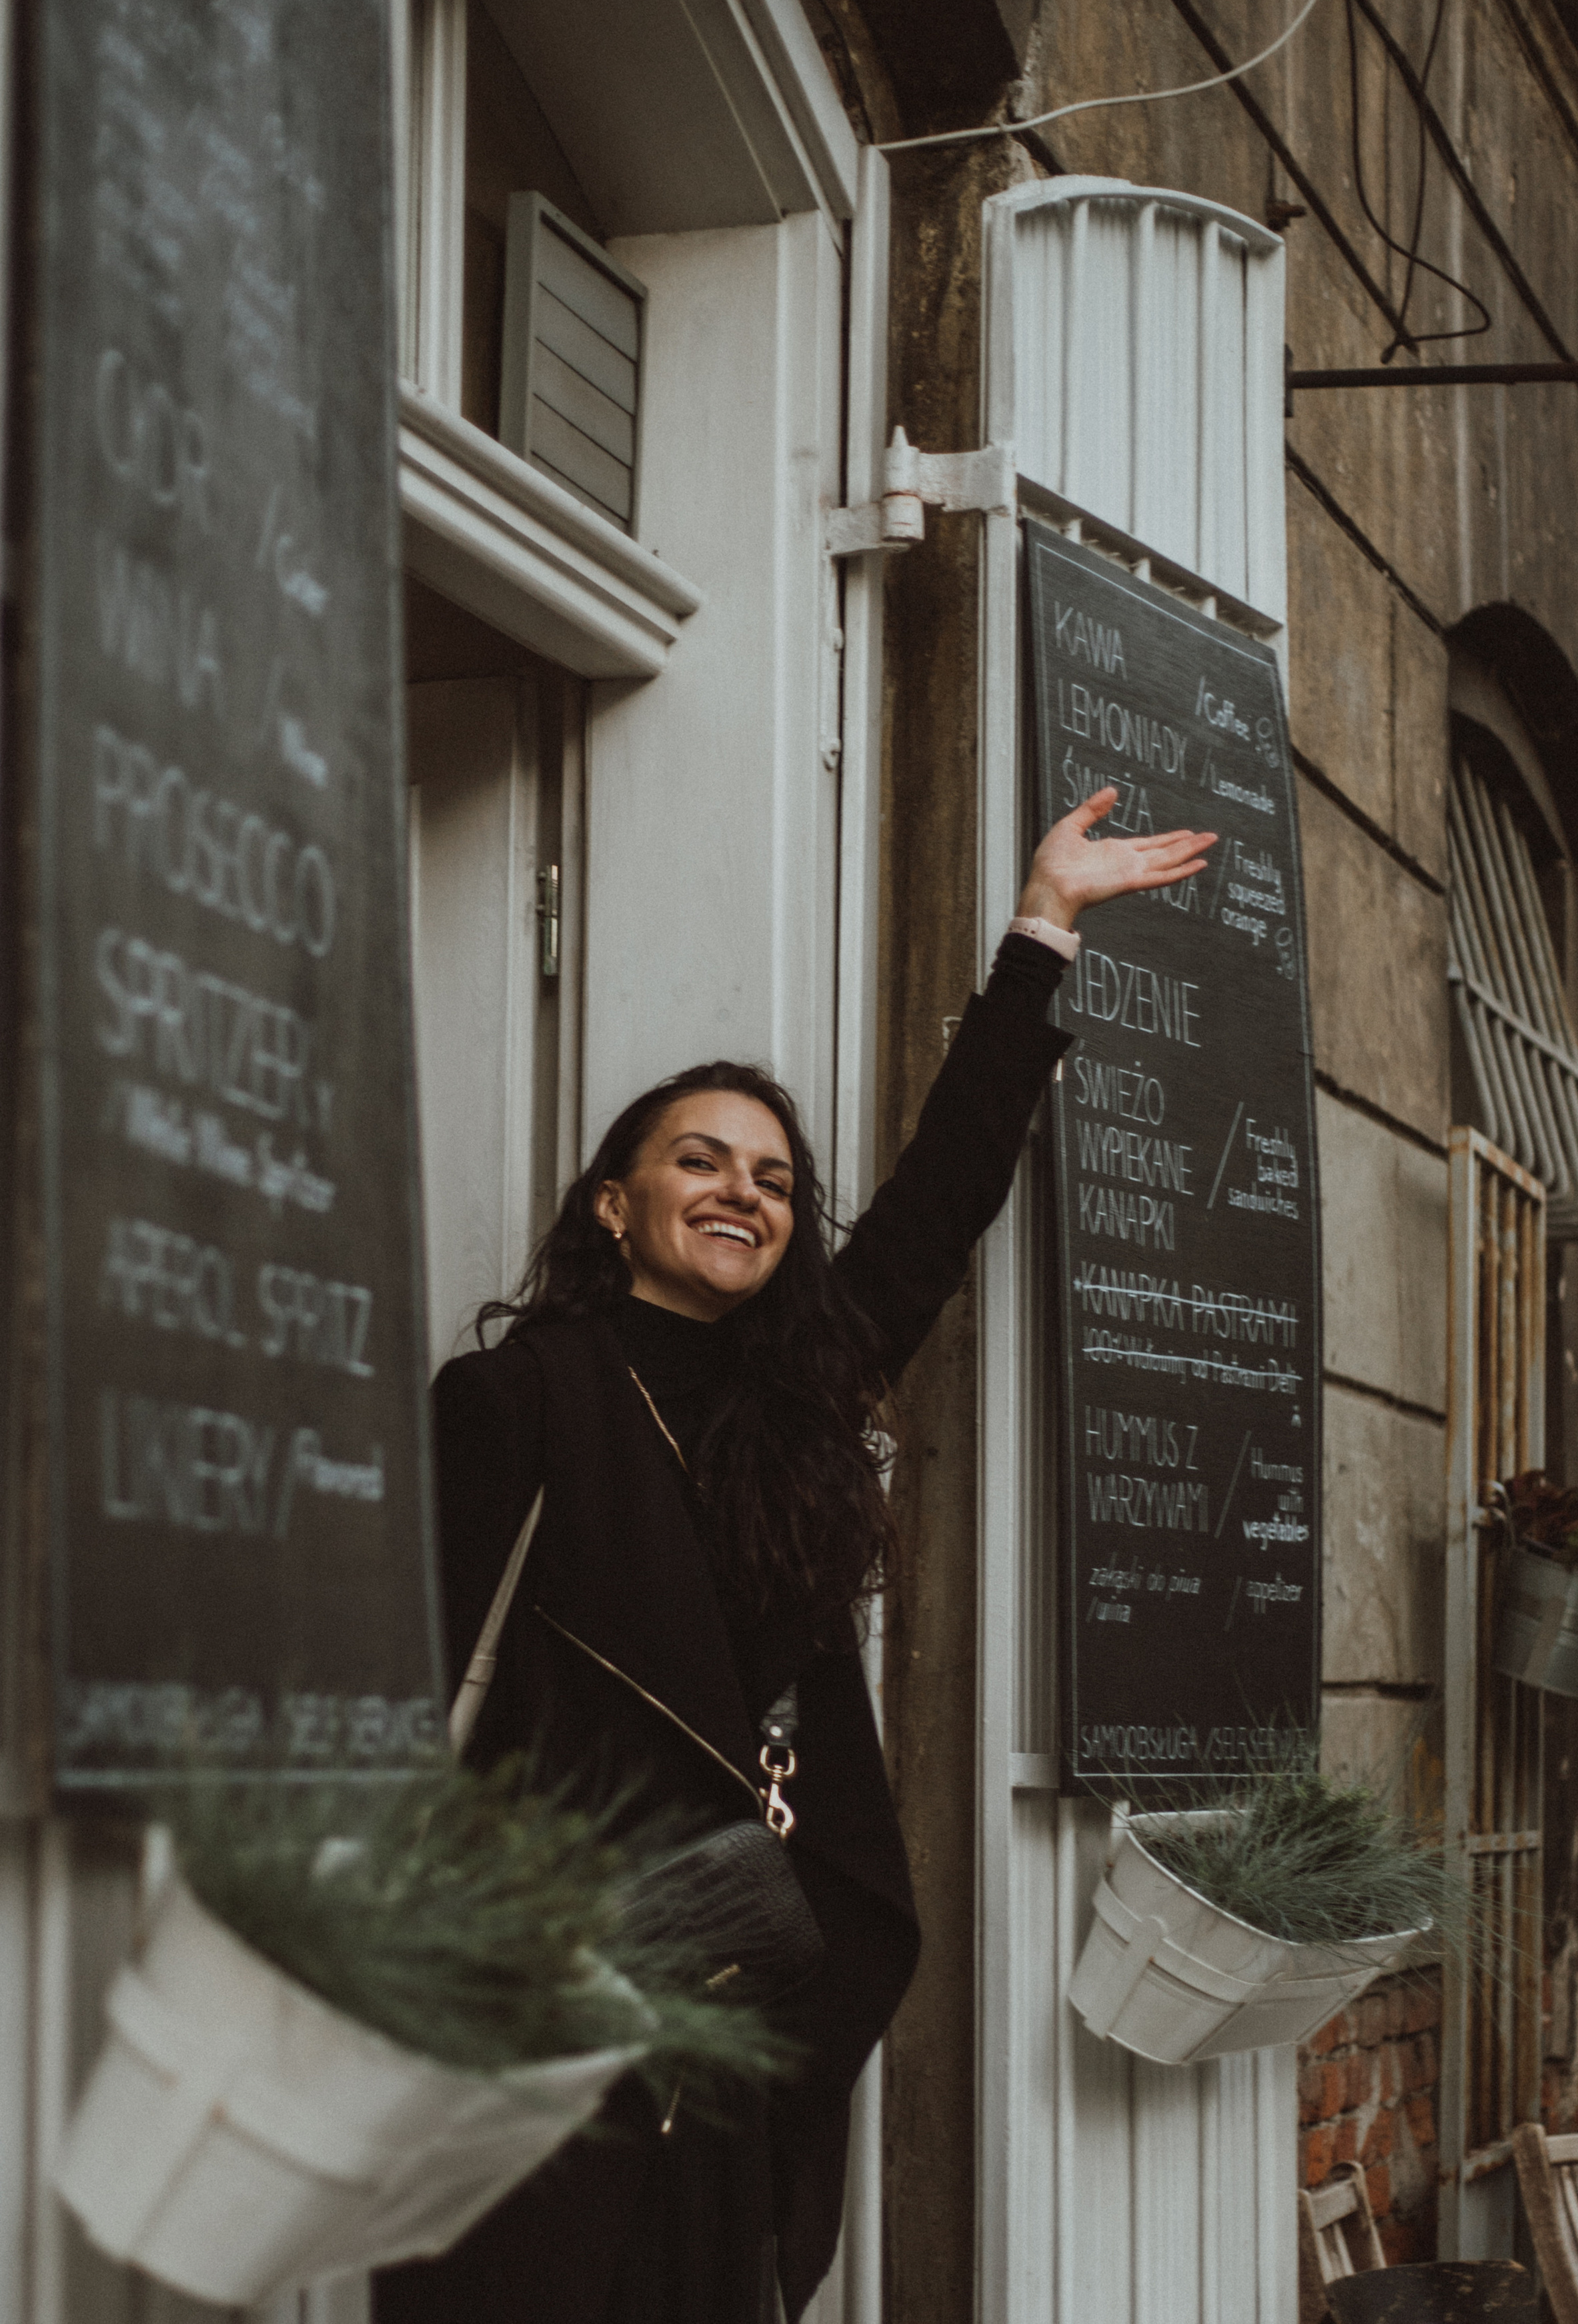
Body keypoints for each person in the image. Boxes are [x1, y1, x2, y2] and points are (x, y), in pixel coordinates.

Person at [375, 789, 1214, 2324]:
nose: (739, 1194)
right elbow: (404, 1666)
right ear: (614, 1207)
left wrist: (1042, 929)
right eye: (698, 1163)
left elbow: (945, 1195)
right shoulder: (518, 1397)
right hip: (545, 1965)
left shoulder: (800, 1394)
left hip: (730, 1970)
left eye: (769, 1180)